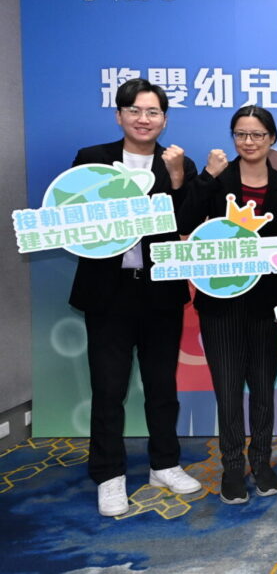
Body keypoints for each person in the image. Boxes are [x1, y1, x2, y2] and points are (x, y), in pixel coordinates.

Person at [70, 78, 201, 516]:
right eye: (135, 110)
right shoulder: (92, 159)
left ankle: (164, 463)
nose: (144, 119)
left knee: (162, 385)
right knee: (109, 388)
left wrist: (178, 178)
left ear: (164, 119)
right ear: (119, 115)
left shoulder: (178, 162)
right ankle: (109, 474)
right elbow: (71, 218)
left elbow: (186, 224)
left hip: (160, 290)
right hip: (108, 293)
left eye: (153, 112)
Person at [179, 105, 277, 503]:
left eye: (257, 134)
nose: (249, 141)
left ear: (271, 138)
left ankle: (261, 461)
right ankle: (231, 467)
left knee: (262, 388)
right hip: (220, 303)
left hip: (267, 304)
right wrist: (206, 176)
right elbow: (185, 221)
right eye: (241, 134)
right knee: (227, 390)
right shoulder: (217, 179)